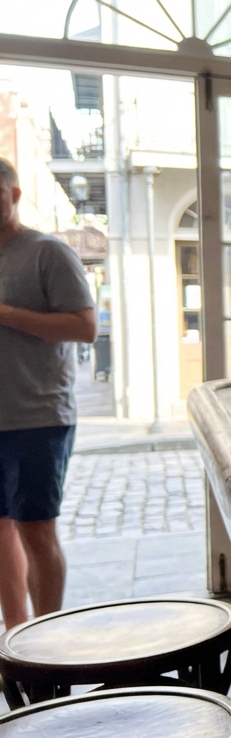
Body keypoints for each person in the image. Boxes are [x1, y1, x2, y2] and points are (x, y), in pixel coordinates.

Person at [0, 157, 97, 627]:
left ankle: (47, 644)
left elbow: (85, 327)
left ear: (14, 196)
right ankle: (16, 643)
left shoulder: (47, 253)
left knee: (36, 532)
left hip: (37, 416)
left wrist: (4, 313)